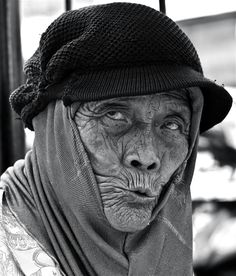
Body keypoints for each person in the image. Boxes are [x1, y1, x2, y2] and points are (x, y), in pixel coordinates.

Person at [0, 2, 232, 275]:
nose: (146, 157)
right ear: (54, 127)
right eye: (114, 116)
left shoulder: (170, 251)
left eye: (171, 124)